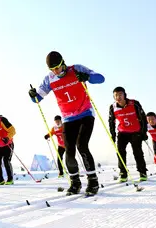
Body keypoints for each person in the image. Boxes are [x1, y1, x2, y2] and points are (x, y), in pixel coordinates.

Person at [29, 51, 105, 196]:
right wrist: (33, 95)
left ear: (63, 63)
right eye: (52, 69)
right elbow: (37, 99)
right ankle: (75, 183)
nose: (56, 71)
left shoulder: (76, 69)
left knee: (82, 145)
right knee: (68, 151)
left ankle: (93, 181)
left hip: (85, 113)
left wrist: (88, 77)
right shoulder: (49, 79)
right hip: (68, 119)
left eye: (58, 67)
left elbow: (101, 78)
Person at [108, 87, 148, 183]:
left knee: (137, 152)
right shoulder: (112, 107)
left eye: (120, 95)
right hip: (122, 133)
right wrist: (112, 135)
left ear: (125, 95)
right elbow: (111, 121)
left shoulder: (134, 103)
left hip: (135, 132)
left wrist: (143, 132)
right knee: (120, 152)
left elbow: (143, 118)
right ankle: (123, 173)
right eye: (116, 95)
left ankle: (142, 172)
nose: (118, 97)